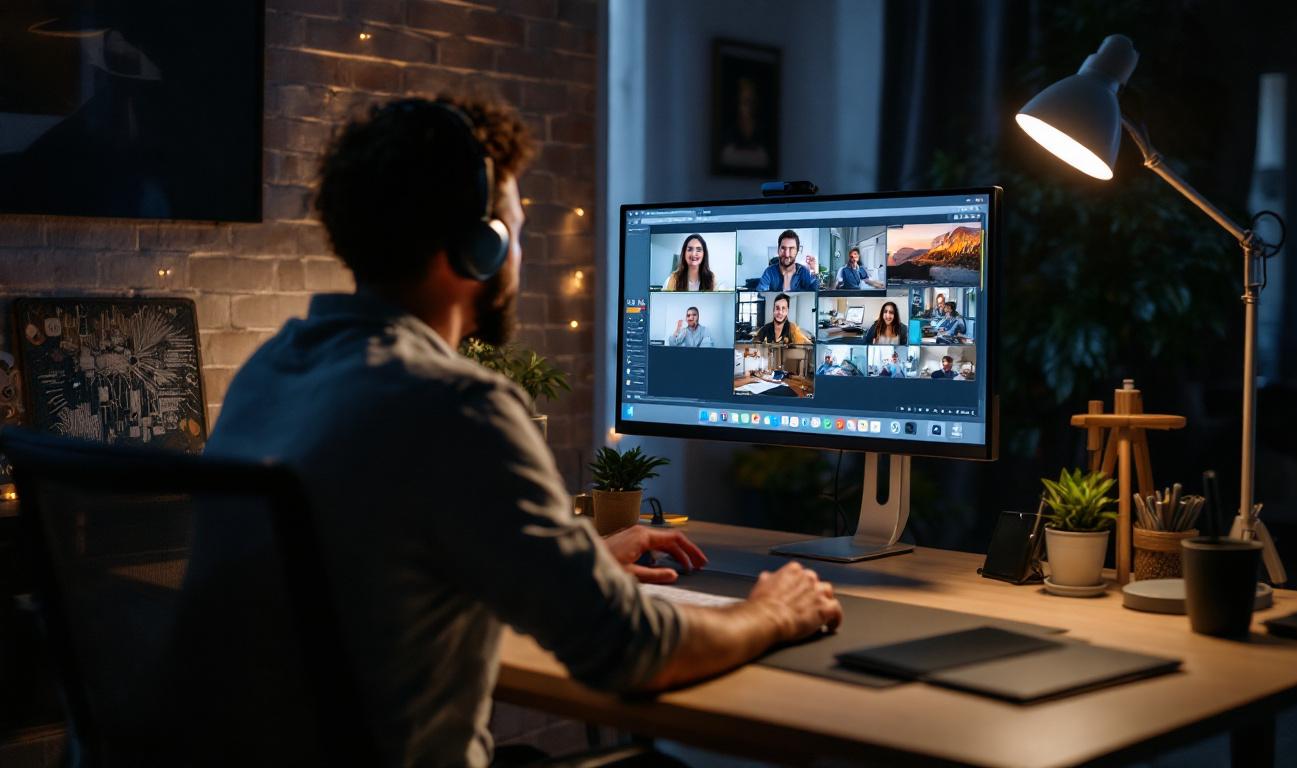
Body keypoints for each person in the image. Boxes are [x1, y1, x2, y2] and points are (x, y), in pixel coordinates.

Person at [186, 96, 842, 767]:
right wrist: (773, 611)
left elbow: (377, 574)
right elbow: (628, 651)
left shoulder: (271, 371)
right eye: (516, 228)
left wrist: (568, 565)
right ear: (478, 247)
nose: (520, 252)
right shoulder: (456, 405)